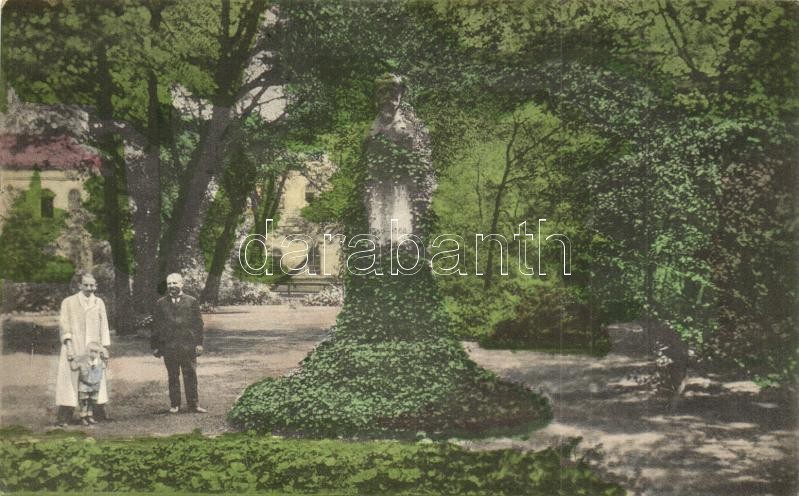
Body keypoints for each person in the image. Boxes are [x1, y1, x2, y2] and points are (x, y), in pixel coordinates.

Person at [55, 273, 111, 427]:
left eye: (92, 285)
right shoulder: (68, 302)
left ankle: (96, 412)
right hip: (75, 346)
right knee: (70, 380)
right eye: (86, 285)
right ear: (79, 285)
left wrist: (104, 348)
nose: (89, 288)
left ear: (96, 286)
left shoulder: (98, 302)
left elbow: (104, 326)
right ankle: (65, 415)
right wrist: (69, 347)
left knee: (95, 379)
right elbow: (64, 325)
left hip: (93, 349)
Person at [151, 273, 207, 413]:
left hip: (187, 345)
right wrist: (156, 346)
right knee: (172, 376)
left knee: (190, 375)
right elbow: (156, 326)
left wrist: (199, 344)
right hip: (169, 346)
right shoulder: (161, 303)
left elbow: (198, 324)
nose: (172, 286)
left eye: (175, 283)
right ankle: (175, 404)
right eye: (169, 284)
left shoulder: (192, 301)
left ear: (182, 284)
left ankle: (193, 404)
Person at [68, 341, 108, 426]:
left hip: (95, 386)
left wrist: (105, 357)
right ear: (87, 352)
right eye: (91, 351)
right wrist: (71, 359)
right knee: (84, 402)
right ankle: (83, 417)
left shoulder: (100, 362)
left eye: (95, 352)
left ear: (99, 353)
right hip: (84, 386)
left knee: (92, 402)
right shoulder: (82, 361)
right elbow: (73, 367)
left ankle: (89, 416)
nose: (93, 354)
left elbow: (104, 366)